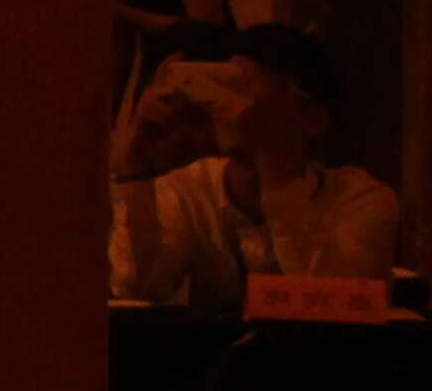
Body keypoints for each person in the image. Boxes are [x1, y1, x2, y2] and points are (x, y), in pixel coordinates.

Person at [108, 21, 395, 307]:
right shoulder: (189, 190)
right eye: (228, 85)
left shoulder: (359, 201)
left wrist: (272, 159)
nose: (236, 105)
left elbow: (336, 305)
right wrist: (136, 164)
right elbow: (136, 288)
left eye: (247, 88)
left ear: (315, 118)